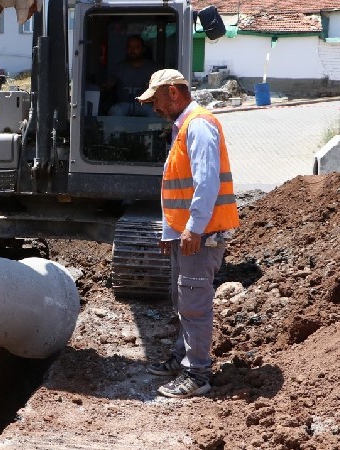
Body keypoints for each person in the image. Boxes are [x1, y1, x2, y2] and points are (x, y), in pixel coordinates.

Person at [135, 69, 240, 399]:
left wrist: (193, 228)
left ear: (173, 93)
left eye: (156, 100)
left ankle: (197, 374)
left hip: (202, 234)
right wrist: (171, 232)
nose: (155, 108)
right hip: (189, 234)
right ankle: (184, 359)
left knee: (194, 302)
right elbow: (178, 190)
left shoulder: (199, 126)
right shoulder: (184, 128)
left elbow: (206, 185)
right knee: (183, 298)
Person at [104, 36, 162, 116]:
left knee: (154, 112)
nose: (132, 50)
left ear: (143, 49)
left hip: (146, 104)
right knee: (115, 110)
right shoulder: (119, 67)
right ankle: (118, 129)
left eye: (136, 47)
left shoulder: (153, 68)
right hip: (124, 104)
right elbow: (108, 85)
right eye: (129, 47)